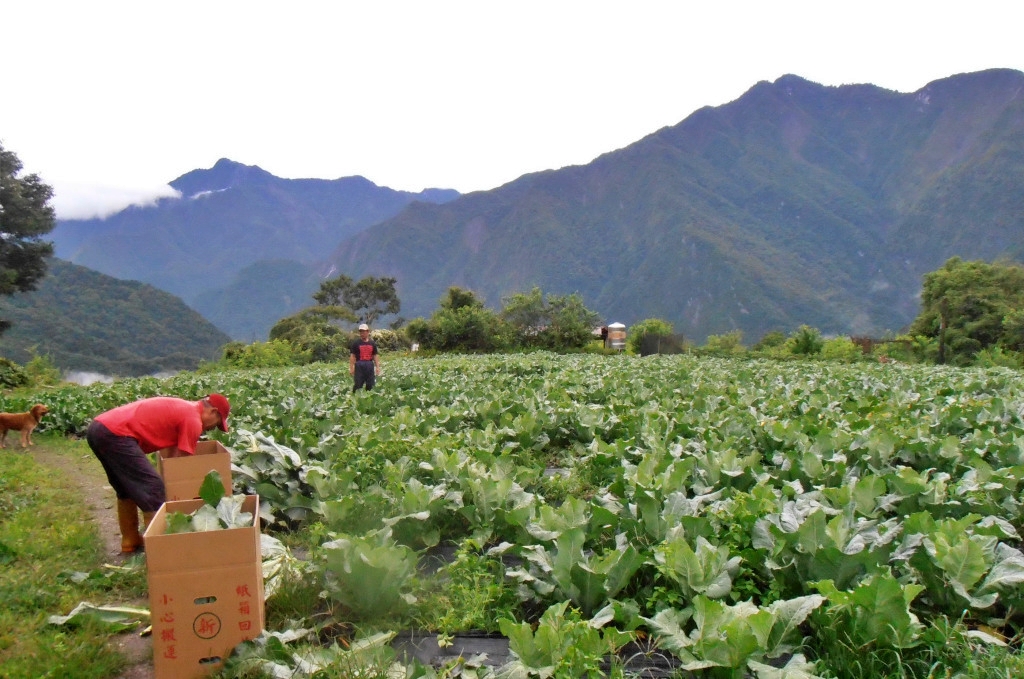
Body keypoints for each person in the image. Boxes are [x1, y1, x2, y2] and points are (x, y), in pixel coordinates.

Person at [86, 394, 231, 553]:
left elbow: (173, 455)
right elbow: (181, 464)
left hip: (98, 429)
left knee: (125, 489)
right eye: (216, 424)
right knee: (153, 489)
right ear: (213, 412)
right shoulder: (193, 420)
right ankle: (159, 553)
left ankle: (130, 541)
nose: (211, 428)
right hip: (116, 434)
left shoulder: (185, 408)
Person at [349, 323, 381, 392]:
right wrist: (351, 368)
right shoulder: (356, 343)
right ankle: (355, 398)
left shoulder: (372, 343)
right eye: (360, 331)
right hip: (359, 365)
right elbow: (352, 356)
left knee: (370, 385)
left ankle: (369, 399)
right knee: (358, 384)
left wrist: (377, 367)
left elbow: (375, 355)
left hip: (369, 365)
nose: (362, 333)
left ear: (368, 332)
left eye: (363, 331)